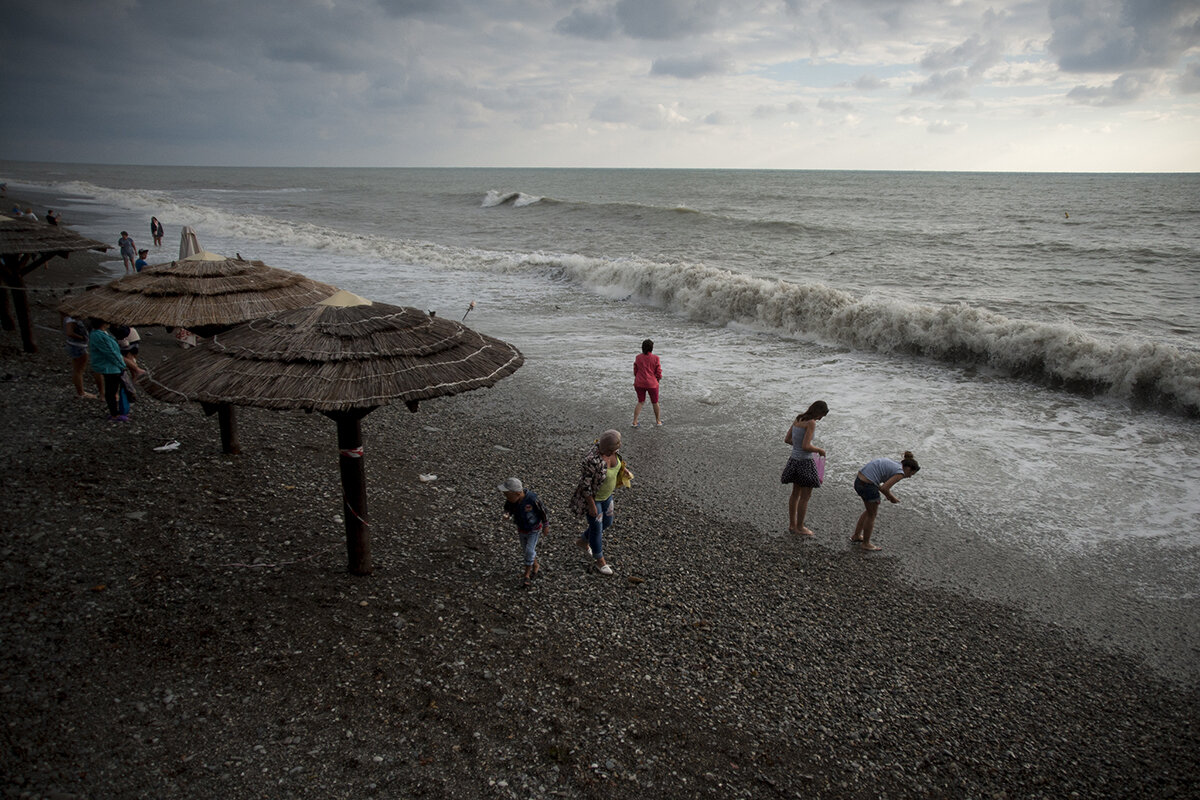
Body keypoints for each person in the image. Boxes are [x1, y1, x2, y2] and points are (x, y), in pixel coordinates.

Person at [570, 429, 630, 575]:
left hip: (607, 496)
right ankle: (599, 561)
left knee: (607, 522)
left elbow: (618, 464)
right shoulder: (592, 461)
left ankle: (583, 541)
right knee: (596, 528)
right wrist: (591, 505)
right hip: (594, 499)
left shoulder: (614, 452)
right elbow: (585, 485)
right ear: (607, 448)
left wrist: (624, 470)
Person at [852, 451, 921, 551]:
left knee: (869, 511)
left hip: (859, 481)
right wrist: (892, 498)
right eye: (911, 474)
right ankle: (866, 544)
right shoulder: (900, 473)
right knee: (872, 515)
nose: (909, 477)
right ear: (908, 468)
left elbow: (882, 485)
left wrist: (888, 495)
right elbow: (884, 488)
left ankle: (856, 535)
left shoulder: (894, 464)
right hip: (867, 485)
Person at [781, 400, 828, 536]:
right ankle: (800, 527)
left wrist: (798, 447)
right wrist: (819, 450)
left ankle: (792, 525)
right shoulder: (811, 423)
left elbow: (787, 439)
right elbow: (806, 446)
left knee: (795, 493)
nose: (820, 419)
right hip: (805, 462)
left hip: (793, 460)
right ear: (818, 412)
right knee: (805, 496)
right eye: (821, 416)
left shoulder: (798, 418)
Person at [498, 477, 549, 587]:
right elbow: (507, 508)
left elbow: (543, 511)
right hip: (521, 529)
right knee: (527, 550)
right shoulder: (511, 501)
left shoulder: (532, 499)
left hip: (534, 529)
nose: (506, 498)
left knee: (529, 551)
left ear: (517, 493)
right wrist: (507, 514)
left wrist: (546, 525)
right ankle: (536, 565)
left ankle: (527, 575)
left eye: (508, 495)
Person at [87, 319, 129, 422]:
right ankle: (114, 414)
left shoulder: (98, 334)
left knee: (112, 390)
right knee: (111, 391)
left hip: (111, 367)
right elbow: (110, 352)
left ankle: (115, 412)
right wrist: (122, 365)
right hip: (110, 368)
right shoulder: (99, 335)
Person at [62, 314, 100, 398]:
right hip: (78, 346)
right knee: (79, 370)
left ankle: (80, 391)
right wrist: (83, 338)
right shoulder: (71, 320)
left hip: (74, 345)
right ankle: (81, 392)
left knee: (77, 370)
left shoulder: (67, 318)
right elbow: (69, 332)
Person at [632, 338, 663, 427]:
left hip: (639, 383)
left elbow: (635, 370)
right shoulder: (655, 358)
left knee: (640, 402)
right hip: (652, 383)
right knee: (655, 402)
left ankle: (635, 421)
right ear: (651, 348)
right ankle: (658, 421)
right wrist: (658, 379)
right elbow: (658, 371)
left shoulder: (638, 357)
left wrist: (638, 377)